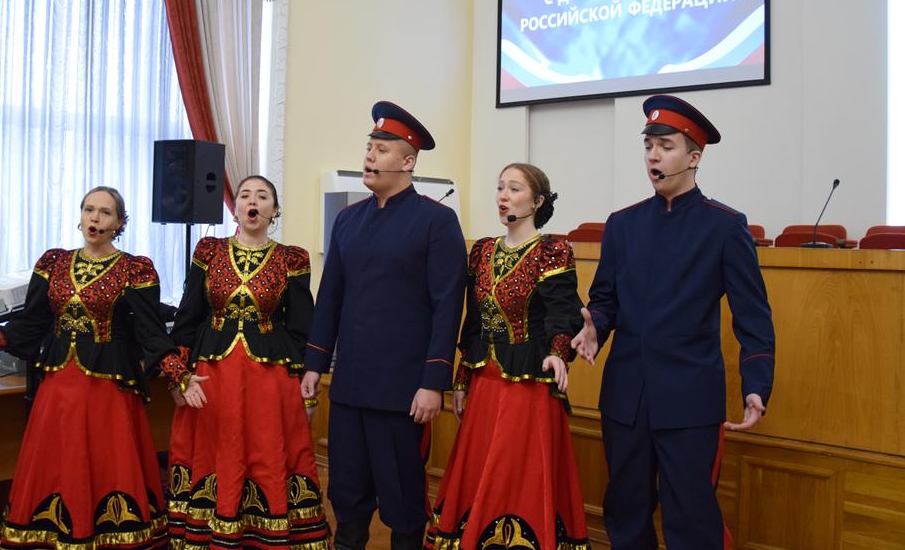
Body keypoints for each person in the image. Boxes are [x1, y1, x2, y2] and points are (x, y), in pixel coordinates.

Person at [571, 94, 776, 549]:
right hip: (626, 397)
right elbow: (605, 300)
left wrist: (756, 384)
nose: (653, 156)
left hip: (689, 400)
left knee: (691, 519)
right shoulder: (622, 224)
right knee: (625, 514)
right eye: (648, 146)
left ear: (694, 157)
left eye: (665, 146)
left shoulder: (724, 226)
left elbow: (753, 316)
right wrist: (595, 327)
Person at [0, 185, 203, 549]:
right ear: (80, 216)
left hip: (109, 390)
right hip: (59, 386)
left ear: (119, 223)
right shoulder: (54, 264)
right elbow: (29, 325)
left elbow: (151, 333)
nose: (95, 217)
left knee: (108, 462)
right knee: (59, 462)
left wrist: (179, 374)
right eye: (89, 209)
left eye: (105, 212)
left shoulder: (134, 270)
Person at [300, 101, 468, 550]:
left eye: (382, 149)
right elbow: (330, 297)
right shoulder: (348, 219)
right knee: (346, 497)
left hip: (403, 394)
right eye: (369, 147)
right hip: (350, 388)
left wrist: (433, 382)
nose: (370, 156)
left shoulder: (437, 221)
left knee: (403, 504)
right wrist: (315, 363)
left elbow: (447, 307)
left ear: (408, 162)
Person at [424, 163, 591, 550]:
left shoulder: (552, 251)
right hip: (486, 384)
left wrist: (559, 353)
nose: (503, 196)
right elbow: (475, 322)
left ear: (537, 201)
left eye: (514, 189)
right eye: (500, 187)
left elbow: (562, 312)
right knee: (481, 469)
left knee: (516, 473)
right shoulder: (482, 251)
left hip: (529, 387)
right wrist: (462, 379)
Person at [166, 175, 330, 549]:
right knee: (216, 452)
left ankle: (265, 535)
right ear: (236, 207)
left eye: (262, 196)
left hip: (269, 380)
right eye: (245, 195)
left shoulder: (292, 259)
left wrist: (306, 387)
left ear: (274, 210)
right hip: (213, 378)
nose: (252, 202)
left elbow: (301, 327)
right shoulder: (208, 251)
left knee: (265, 452)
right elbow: (188, 317)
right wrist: (179, 375)